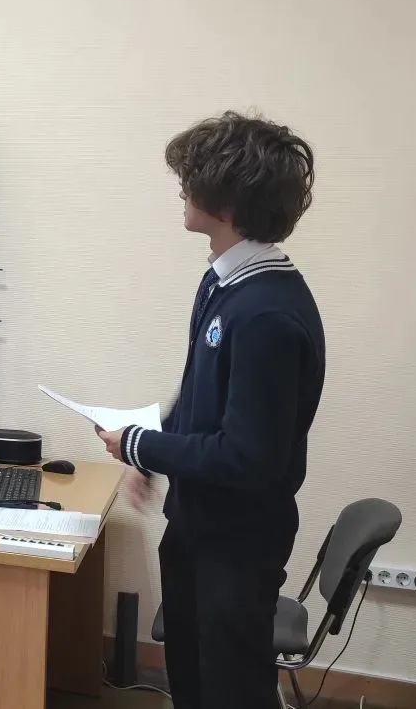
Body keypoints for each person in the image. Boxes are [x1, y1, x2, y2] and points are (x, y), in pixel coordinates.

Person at [97, 111, 324, 709]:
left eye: (190, 178)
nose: (181, 189)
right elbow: (200, 392)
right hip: (196, 524)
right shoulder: (224, 284)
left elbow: (247, 456)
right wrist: (151, 451)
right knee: (191, 686)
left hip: (238, 543)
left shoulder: (267, 312)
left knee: (230, 692)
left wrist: (140, 444)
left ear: (227, 198)